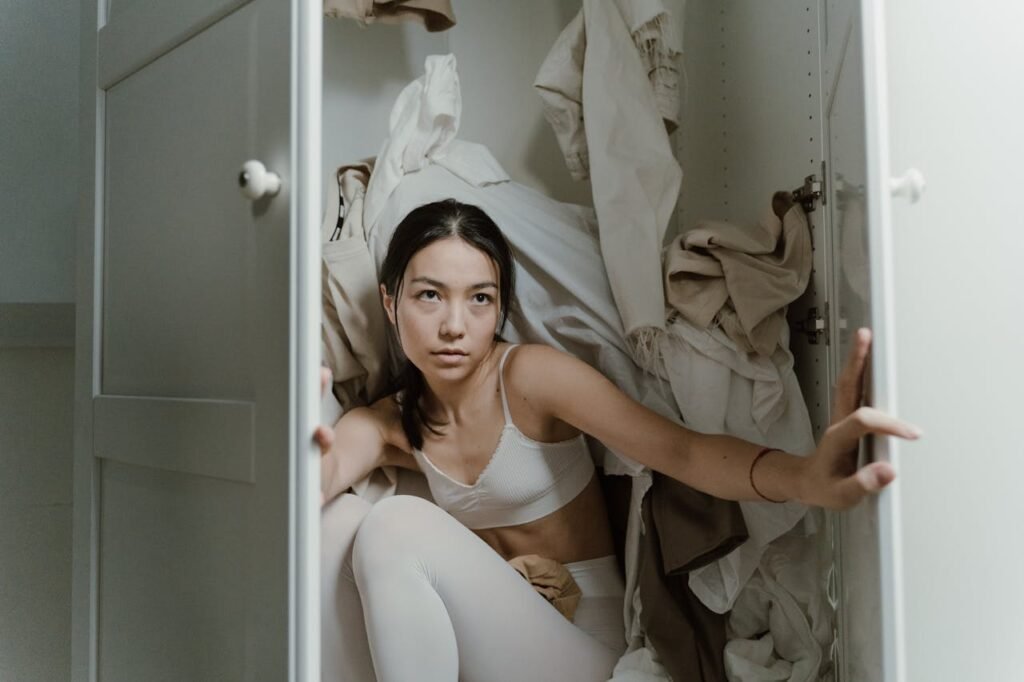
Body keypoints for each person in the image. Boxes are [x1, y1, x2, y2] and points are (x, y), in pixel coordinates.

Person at [314, 199, 920, 681]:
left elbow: (681, 451)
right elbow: (311, 487)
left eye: (479, 298)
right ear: (392, 304)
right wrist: (298, 440)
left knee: (394, 522)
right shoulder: (388, 423)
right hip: (486, 651)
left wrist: (807, 476)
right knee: (334, 524)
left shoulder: (528, 380)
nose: (454, 325)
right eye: (429, 295)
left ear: (499, 309)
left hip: (581, 649)